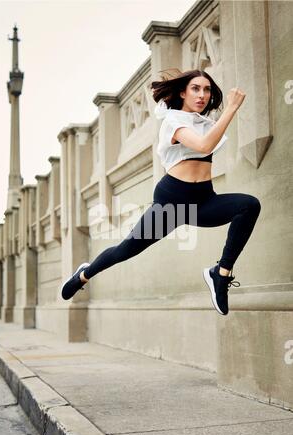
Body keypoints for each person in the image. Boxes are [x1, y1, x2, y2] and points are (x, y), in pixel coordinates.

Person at [61, 69, 261, 315]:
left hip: (204, 201)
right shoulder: (174, 122)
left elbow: (208, 140)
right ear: (182, 93)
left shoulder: (205, 124)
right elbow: (203, 145)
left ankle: (220, 274)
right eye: (195, 89)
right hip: (173, 203)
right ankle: (83, 274)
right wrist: (231, 108)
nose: (202, 95)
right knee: (126, 250)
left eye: (207, 89)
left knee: (249, 205)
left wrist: (225, 114)